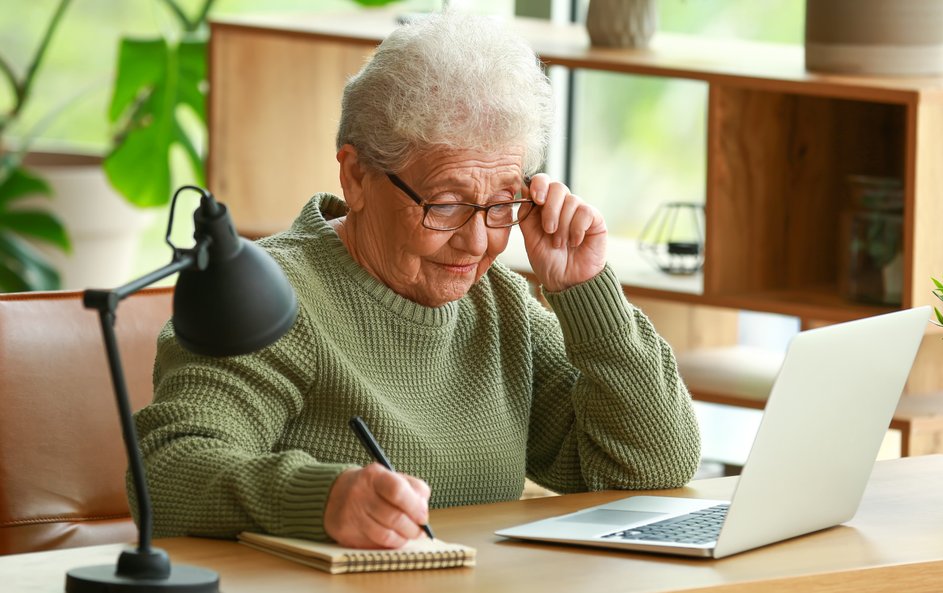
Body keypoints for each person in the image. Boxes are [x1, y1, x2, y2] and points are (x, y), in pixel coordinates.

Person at [133, 10, 701, 550]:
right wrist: (322, 500)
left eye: (503, 202)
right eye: (447, 202)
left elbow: (653, 465)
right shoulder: (274, 299)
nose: (477, 242)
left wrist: (586, 291)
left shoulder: (499, 305)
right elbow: (165, 468)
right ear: (356, 177)